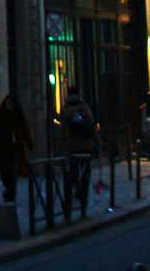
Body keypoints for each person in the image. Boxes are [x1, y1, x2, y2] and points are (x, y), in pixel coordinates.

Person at [0, 93, 35, 203]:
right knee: (4, 171)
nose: (8, 106)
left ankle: (11, 193)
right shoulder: (1, 113)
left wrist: (30, 144)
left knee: (12, 172)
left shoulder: (17, 115)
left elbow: (24, 128)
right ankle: (9, 190)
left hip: (14, 148)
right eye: (7, 104)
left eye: (10, 104)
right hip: (3, 147)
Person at [61, 85, 102, 218]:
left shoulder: (65, 109)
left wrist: (62, 146)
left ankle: (76, 189)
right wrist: (98, 141)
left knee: (73, 172)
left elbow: (63, 130)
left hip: (72, 147)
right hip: (86, 145)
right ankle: (83, 206)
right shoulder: (83, 107)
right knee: (85, 174)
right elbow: (91, 125)